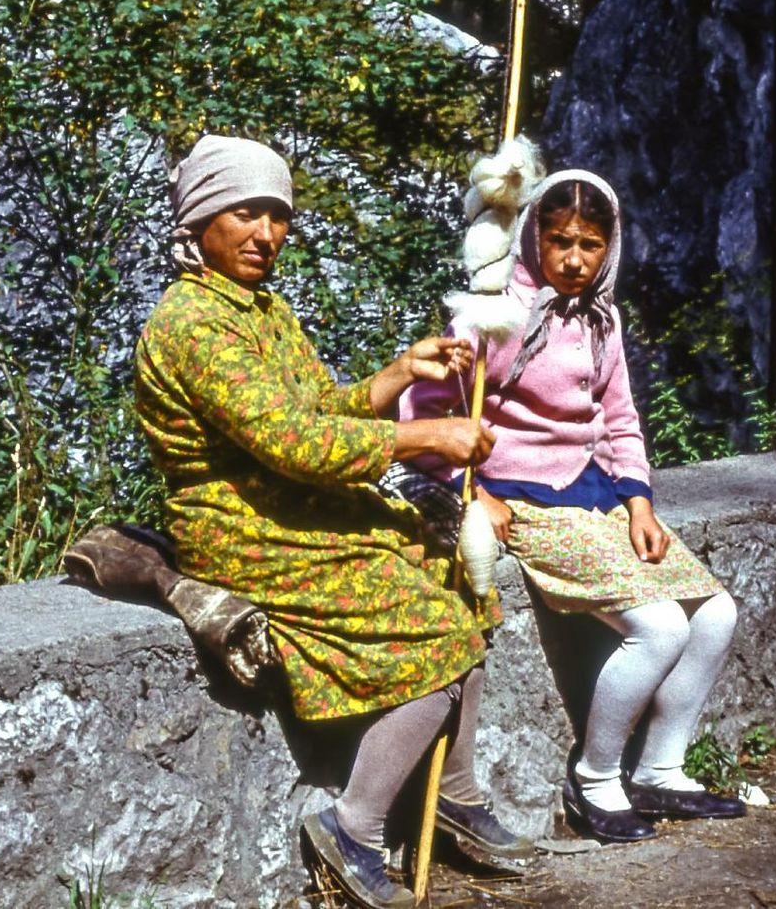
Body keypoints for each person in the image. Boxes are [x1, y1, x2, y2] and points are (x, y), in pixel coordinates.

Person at [131, 135, 536, 909]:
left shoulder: (261, 308)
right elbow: (292, 443)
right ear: (200, 219)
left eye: (277, 216)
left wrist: (392, 377)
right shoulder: (191, 325)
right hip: (245, 531)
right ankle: (353, 824)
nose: (265, 234)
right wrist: (423, 434)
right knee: (435, 629)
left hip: (295, 507)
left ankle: (451, 792)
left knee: (459, 575)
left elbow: (313, 410)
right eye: (244, 213)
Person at [402, 170, 743, 843]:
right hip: (528, 501)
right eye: (561, 242)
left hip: (596, 494)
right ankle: (596, 779)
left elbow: (619, 421)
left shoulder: (601, 319)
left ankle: (661, 770)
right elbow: (426, 413)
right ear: (534, 237)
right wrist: (476, 491)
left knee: (714, 613)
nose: (576, 260)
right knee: (660, 628)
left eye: (590, 244)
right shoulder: (493, 313)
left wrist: (640, 503)